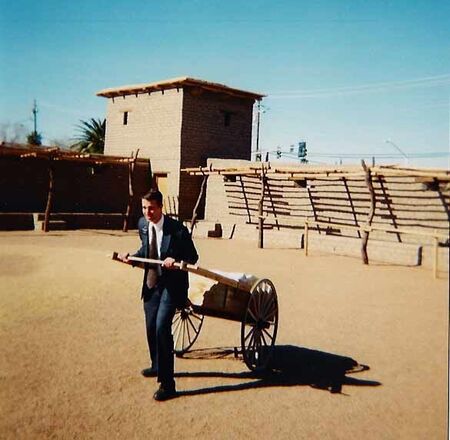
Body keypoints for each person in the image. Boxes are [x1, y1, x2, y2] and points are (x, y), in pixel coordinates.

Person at [119, 189, 198, 401]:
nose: (147, 212)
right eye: (144, 208)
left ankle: (168, 384)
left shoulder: (177, 230)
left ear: (161, 207)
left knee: (162, 327)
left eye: (151, 208)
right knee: (150, 326)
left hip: (172, 287)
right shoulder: (143, 225)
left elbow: (193, 256)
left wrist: (174, 258)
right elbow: (146, 249)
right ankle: (157, 365)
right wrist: (132, 258)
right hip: (152, 283)